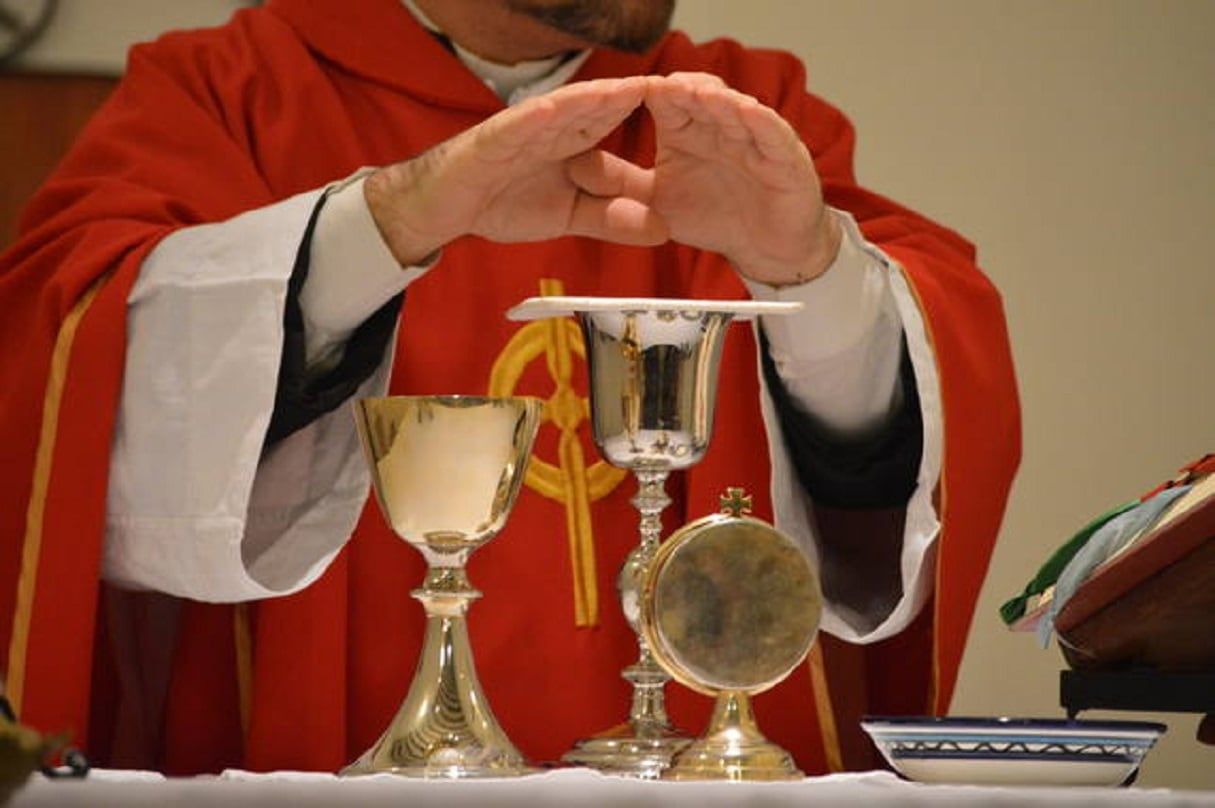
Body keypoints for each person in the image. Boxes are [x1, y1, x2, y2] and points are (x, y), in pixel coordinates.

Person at [0, 0, 1019, 776]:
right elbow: (64, 380)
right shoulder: (227, 91)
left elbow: (930, 396)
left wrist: (810, 275)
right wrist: (378, 228)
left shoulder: (740, 112)